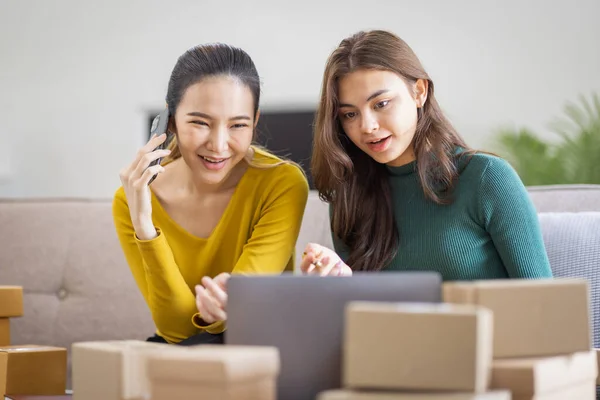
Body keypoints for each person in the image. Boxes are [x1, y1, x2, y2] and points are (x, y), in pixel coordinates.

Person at [300, 30, 553, 281]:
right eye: (350, 114)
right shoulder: (349, 195)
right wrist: (341, 283)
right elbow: (365, 315)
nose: (367, 126)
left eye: (381, 104)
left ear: (419, 92)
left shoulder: (486, 179)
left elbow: (545, 306)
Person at [113, 43, 309, 345]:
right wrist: (145, 227)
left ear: (254, 122)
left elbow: (244, 310)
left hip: (258, 346)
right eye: (200, 123)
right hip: (179, 353)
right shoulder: (133, 198)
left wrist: (224, 306)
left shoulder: (282, 183)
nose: (218, 145)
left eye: (237, 125)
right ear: (170, 120)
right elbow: (175, 330)